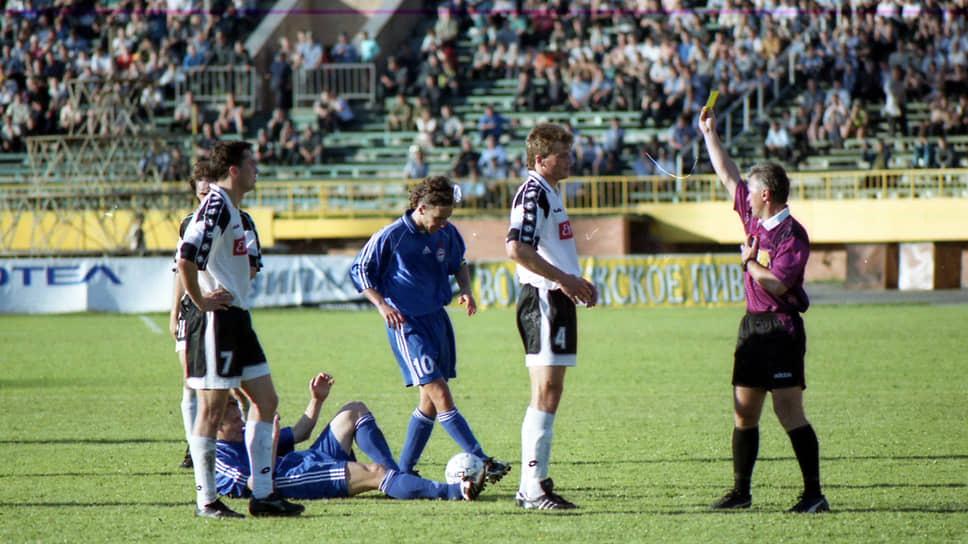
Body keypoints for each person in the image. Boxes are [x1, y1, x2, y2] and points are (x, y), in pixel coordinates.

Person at [698, 106, 828, 514]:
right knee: (744, 412)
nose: (745, 197)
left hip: (782, 329)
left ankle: (813, 495)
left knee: (788, 412)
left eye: (752, 193)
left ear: (766, 195)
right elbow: (728, 175)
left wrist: (749, 264)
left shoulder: (792, 234)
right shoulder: (755, 223)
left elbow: (780, 282)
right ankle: (741, 492)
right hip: (752, 328)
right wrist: (710, 135)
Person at [349, 176, 510, 484]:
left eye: (448, 217)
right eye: (439, 217)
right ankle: (481, 459)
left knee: (429, 403)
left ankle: (403, 472)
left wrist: (465, 289)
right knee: (439, 392)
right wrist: (382, 306)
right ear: (421, 208)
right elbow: (359, 270)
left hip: (437, 319)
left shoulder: (446, 233)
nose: (443, 224)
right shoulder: (392, 235)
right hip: (405, 322)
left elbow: (458, 262)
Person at [177, 141, 303, 519]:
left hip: (238, 317)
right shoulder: (214, 204)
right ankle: (207, 501)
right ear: (233, 169)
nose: (256, 171)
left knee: (266, 402)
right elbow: (186, 255)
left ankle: (262, 495)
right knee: (212, 409)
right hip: (218, 321)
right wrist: (200, 301)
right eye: (252, 164)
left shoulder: (231, 209)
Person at [505, 122, 599, 510]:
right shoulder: (533, 194)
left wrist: (573, 280)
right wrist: (564, 280)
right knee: (544, 391)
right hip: (543, 298)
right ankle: (532, 487)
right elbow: (516, 248)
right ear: (541, 160)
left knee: (550, 391)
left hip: (555, 298)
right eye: (563, 153)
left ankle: (534, 481)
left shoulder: (549, 192)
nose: (570, 159)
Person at [215, 372, 487, 502]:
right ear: (215, 423)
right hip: (293, 478)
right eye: (233, 414)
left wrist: (316, 401)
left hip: (306, 458)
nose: (241, 419)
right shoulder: (221, 460)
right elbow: (256, 484)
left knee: (353, 411)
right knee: (375, 472)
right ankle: (454, 491)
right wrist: (269, 446)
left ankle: (397, 479)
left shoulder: (242, 435)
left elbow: (301, 433)